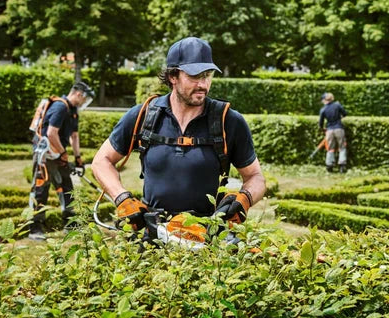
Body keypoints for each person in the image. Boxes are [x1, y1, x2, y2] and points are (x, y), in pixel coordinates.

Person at [92, 37, 266, 244]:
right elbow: (101, 161)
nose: (203, 84)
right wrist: (121, 198)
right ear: (173, 76)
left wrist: (245, 198)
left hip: (207, 237)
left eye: (207, 75)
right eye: (194, 76)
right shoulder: (144, 115)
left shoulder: (228, 120)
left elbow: (256, 177)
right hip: (153, 237)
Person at [29, 82, 95, 241]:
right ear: (78, 94)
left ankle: (70, 224)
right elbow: (51, 133)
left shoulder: (73, 111)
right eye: (85, 98)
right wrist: (63, 153)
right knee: (41, 189)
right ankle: (35, 228)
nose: (84, 102)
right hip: (45, 155)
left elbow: (74, 136)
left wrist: (78, 157)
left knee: (67, 187)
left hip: (57, 153)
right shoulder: (60, 107)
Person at [319, 92, 347, 173]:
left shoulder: (323, 109)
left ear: (325, 100)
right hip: (339, 128)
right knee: (342, 147)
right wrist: (340, 117)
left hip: (329, 130)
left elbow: (320, 123)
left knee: (330, 148)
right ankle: (342, 165)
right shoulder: (337, 105)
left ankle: (329, 165)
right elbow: (345, 113)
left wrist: (322, 129)